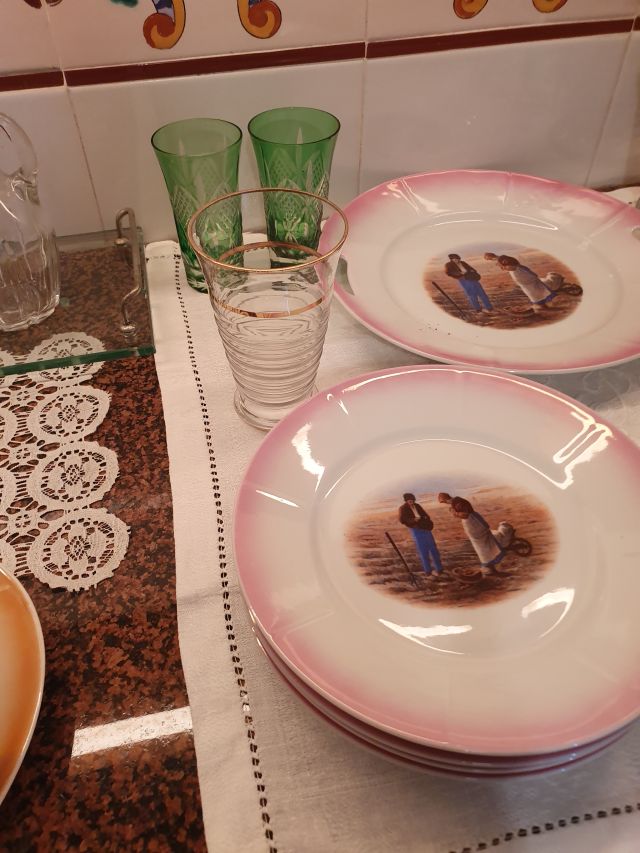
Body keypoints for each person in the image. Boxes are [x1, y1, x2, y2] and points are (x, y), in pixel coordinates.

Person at [438, 492, 509, 570]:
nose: (445, 503)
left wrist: (454, 513)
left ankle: (490, 564)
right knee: (482, 545)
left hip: (473, 523)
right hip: (473, 523)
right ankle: (490, 565)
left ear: (445, 499)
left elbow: (465, 515)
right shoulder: (456, 501)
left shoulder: (457, 502)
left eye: (443, 502)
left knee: (482, 544)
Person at [484, 252, 558, 312]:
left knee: (533, 291)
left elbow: (511, 266)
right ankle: (542, 305)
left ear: (490, 256)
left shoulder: (503, 260)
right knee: (532, 291)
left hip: (523, 276)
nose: (488, 259)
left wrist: (504, 267)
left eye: (487, 258)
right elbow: (505, 264)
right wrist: (502, 266)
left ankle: (542, 305)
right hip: (521, 276)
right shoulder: (500, 258)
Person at [398, 493, 443, 576]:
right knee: (423, 551)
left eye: (412, 500)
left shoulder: (417, 505)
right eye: (409, 501)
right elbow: (402, 520)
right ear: (406, 501)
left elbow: (426, 515)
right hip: (416, 530)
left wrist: (424, 519)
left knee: (433, 549)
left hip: (425, 528)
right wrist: (413, 520)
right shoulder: (402, 508)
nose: (411, 502)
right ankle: (428, 571)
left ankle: (439, 569)